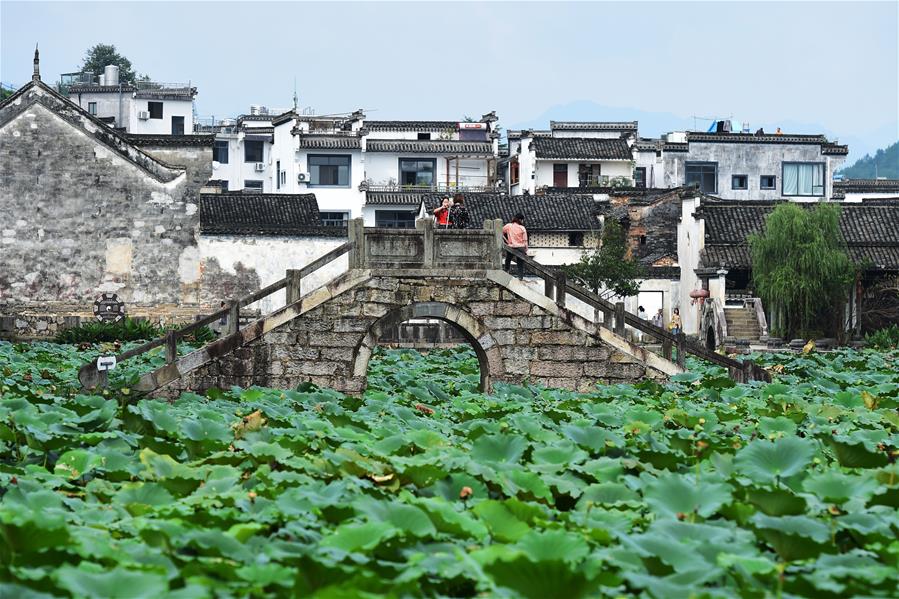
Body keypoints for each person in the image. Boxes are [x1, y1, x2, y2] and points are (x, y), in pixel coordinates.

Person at [502, 213, 528, 278]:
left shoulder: (508, 226)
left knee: (508, 260)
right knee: (520, 263)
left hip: (511, 246)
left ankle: (507, 273)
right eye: (522, 220)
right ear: (520, 220)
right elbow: (525, 240)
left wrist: (506, 241)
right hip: (521, 247)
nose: (523, 221)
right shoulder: (522, 228)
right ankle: (520, 277)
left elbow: (500, 231)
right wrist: (526, 250)